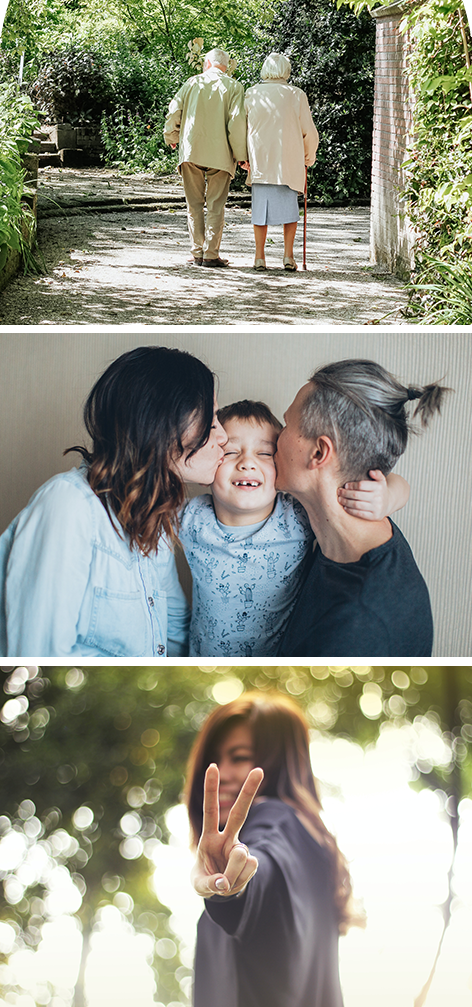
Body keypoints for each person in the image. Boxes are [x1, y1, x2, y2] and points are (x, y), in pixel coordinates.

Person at [0, 346, 227, 657]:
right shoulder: (68, 505)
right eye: (212, 421)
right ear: (162, 422)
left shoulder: (157, 520)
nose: (224, 436)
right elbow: (36, 653)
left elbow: (175, 633)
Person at [178, 398, 409, 656]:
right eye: (231, 452)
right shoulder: (191, 517)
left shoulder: (296, 515)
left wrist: (387, 497)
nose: (247, 462)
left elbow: (397, 482)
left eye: (264, 453)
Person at [185, 691, 361, 1007]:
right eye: (216, 759)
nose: (222, 773)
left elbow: (264, 866)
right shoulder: (318, 846)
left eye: (239, 757)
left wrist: (235, 886)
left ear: (277, 761)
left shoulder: (273, 819)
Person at [275, 359, 451, 656]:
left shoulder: (356, 626)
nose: (275, 437)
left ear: (319, 452)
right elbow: (395, 482)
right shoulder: (358, 527)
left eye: (286, 424)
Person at [163, 48, 248, 267]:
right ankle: (211, 255)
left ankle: (197, 252)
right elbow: (237, 123)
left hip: (192, 150)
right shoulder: (235, 87)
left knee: (194, 204)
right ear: (226, 66)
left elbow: (174, 111)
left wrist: (171, 135)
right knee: (216, 205)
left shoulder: (191, 83)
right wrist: (241, 156)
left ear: (207, 64)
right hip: (221, 154)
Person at [244, 52, 319, 271]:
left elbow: (243, 128)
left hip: (261, 160)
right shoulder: (296, 95)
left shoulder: (252, 93)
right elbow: (309, 132)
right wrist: (308, 157)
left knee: (260, 212)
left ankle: (259, 257)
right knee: (290, 211)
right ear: (286, 71)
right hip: (289, 161)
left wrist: (243, 157)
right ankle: (288, 256)